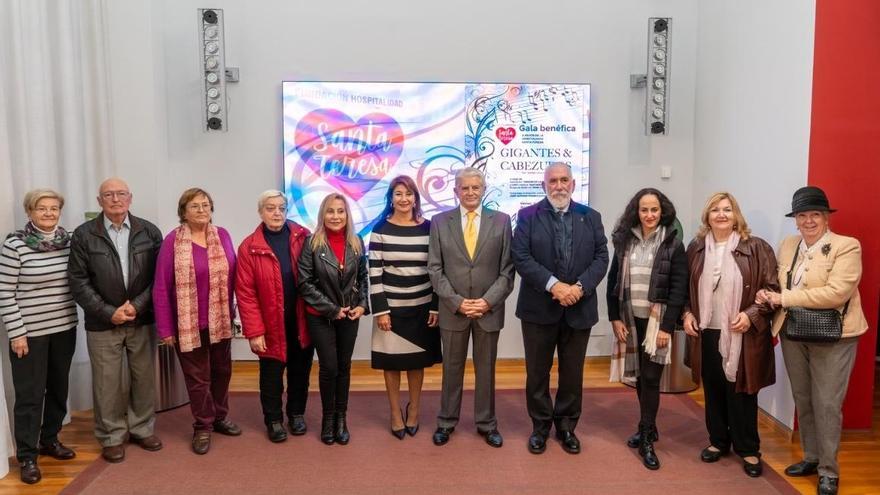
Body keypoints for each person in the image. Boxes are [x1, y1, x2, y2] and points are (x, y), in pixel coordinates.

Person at [756, 186, 868, 495]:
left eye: (815, 214)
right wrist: (767, 294)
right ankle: (811, 457)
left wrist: (784, 297)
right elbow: (778, 283)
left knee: (827, 403)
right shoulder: (789, 245)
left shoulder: (847, 246)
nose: (808, 221)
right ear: (795, 220)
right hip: (794, 332)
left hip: (835, 334)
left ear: (826, 217)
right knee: (803, 398)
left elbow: (836, 293)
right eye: (802, 215)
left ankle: (829, 471)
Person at [511, 163, 609, 455]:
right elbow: (521, 256)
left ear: (573, 183)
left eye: (564, 180)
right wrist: (554, 285)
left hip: (579, 308)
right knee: (537, 372)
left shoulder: (591, 217)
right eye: (553, 181)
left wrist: (578, 288)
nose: (559, 185)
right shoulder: (528, 216)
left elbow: (602, 257)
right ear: (544, 185)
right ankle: (540, 427)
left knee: (572, 373)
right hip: (538, 309)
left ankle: (566, 426)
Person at [68, 178, 164, 463]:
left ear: (130, 198)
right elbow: (78, 280)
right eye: (108, 194)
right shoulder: (84, 235)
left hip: (142, 318)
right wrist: (109, 311)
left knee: (143, 378)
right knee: (106, 382)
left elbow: (159, 278)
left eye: (121, 193)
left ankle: (142, 428)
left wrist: (136, 306)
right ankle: (110, 436)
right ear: (99, 201)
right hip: (102, 322)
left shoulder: (149, 231)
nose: (115, 199)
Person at [682, 192, 778, 478]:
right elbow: (685, 289)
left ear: (736, 215)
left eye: (727, 209)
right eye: (715, 210)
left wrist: (751, 315)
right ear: (707, 216)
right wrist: (687, 313)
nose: (721, 215)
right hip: (706, 330)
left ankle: (748, 448)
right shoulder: (696, 248)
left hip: (741, 333)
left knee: (741, 391)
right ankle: (718, 442)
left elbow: (772, 289)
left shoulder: (757, 248)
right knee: (713, 389)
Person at [427, 167, 515, 448]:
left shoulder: (501, 222)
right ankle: (446, 422)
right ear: (455, 191)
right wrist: (457, 302)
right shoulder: (440, 222)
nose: (470, 192)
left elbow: (507, 270)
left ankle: (486, 423)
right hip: (453, 311)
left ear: (484, 189)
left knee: (486, 369)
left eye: (475, 187)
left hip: (488, 310)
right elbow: (434, 268)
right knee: (451, 369)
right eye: (464, 188)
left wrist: (487, 301)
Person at [152, 188, 240, 454]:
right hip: (188, 324)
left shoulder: (222, 235)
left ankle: (220, 416)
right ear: (183, 212)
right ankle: (203, 425)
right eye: (195, 206)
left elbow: (235, 277)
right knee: (198, 378)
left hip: (221, 321)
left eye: (205, 205)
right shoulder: (172, 242)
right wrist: (165, 328)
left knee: (222, 372)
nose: (202, 210)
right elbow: (160, 287)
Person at [0, 189, 79, 484]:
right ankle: (27, 456)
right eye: (42, 208)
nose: (48, 213)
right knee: (30, 396)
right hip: (29, 334)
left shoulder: (69, 242)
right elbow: (5, 292)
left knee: (58, 389)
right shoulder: (15, 245)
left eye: (54, 208)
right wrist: (17, 333)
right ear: (29, 212)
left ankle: (50, 439)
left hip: (64, 327)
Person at [605, 187, 686, 468]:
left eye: (654, 209)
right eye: (644, 210)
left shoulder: (673, 242)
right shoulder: (624, 241)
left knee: (651, 378)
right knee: (640, 378)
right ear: (636, 212)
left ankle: (647, 439)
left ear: (662, 211)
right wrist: (614, 317)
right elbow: (613, 281)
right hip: (630, 319)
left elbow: (678, 289)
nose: (649, 215)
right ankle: (647, 426)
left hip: (656, 323)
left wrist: (667, 326)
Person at [235, 190, 313, 443]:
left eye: (281, 207)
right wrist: (255, 331)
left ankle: (296, 414)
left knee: (300, 372)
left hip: (302, 321)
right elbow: (245, 293)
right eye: (270, 208)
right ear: (261, 212)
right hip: (269, 327)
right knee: (271, 376)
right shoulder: (249, 247)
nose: (276, 213)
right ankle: (274, 420)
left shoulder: (304, 237)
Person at [368, 176, 441, 439]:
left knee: (416, 362)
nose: (404, 199)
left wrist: (435, 307)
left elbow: (437, 270)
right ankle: (395, 412)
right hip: (391, 309)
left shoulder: (430, 228)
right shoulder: (380, 229)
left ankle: (414, 410)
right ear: (391, 198)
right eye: (398, 194)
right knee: (392, 363)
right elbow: (374, 273)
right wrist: (381, 311)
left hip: (422, 307)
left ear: (415, 198)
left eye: (408, 194)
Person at [298, 193, 369, 445]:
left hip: (350, 316)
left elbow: (362, 279)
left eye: (340, 211)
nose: (336, 216)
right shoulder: (312, 243)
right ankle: (328, 419)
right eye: (330, 211)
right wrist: (332, 309)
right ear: (322, 215)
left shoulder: (357, 242)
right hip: (321, 317)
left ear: (347, 214)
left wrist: (361, 306)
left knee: (344, 366)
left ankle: (342, 419)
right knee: (329, 368)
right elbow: (304, 284)